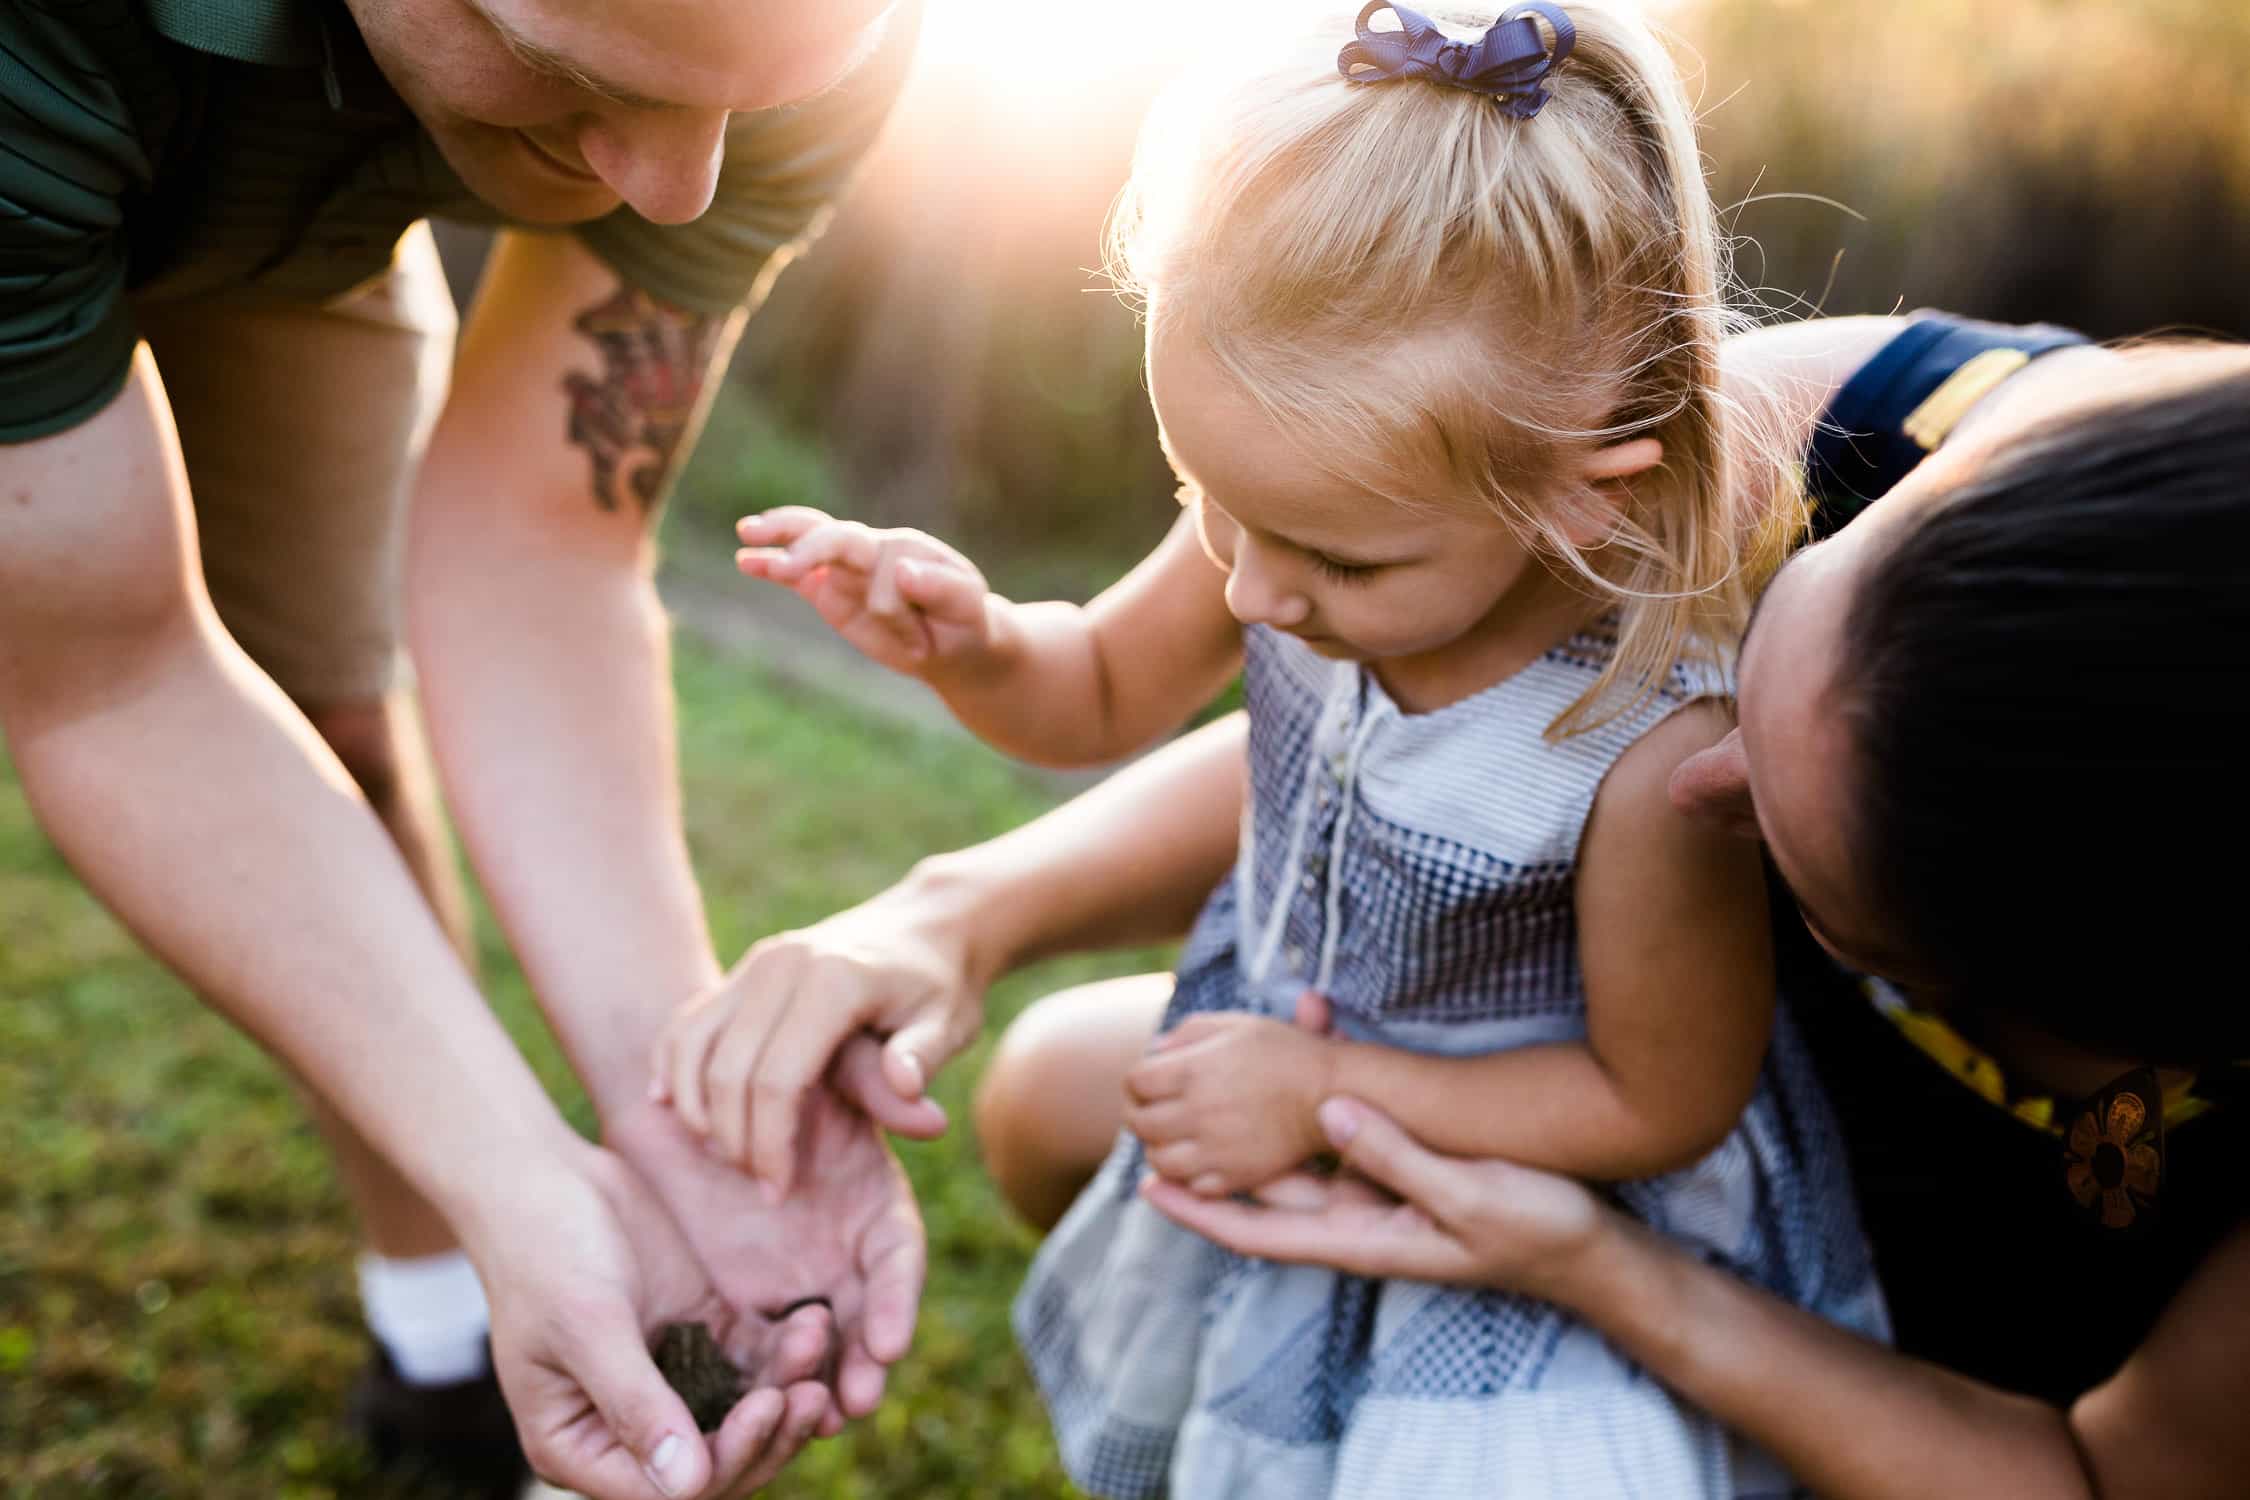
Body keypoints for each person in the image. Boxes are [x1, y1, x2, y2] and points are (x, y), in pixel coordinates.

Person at [651, 5, 1888, 1494]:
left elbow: (1654, 1102)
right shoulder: (1298, 515)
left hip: (1527, 1208)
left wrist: (1316, 1093)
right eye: (1204, 503)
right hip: (1285, 1099)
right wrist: (974, 644)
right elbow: (1099, 689)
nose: (1249, 595)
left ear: (1585, 487)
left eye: (1329, 565)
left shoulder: (1640, 747)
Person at [702, 316, 2250, 1496]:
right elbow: (1429, 748)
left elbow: (2104, 1479)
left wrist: (1585, 1264)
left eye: (1793, 851)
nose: (1684, 806)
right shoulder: (1802, 426)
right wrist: (957, 909)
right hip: (1573, 1104)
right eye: (1774, 637)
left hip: (1956, 1386)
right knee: (1060, 1091)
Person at [0, 1, 937, 1495]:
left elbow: (542, 550)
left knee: (337, 730)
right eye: (581, 79)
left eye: (733, 114)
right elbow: (108, 673)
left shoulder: (771, 46)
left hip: (290, 229)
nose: (677, 186)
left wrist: (680, 1104)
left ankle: (442, 1339)